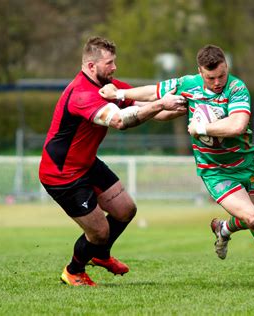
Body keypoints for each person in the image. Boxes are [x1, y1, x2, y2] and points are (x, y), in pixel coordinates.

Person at [99, 44, 254, 288]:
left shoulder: (237, 88)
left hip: (245, 163)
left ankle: (223, 229)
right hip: (215, 170)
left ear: (227, 68)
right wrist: (118, 94)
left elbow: (237, 126)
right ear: (200, 72)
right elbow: (154, 92)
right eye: (211, 77)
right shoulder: (188, 84)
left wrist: (200, 128)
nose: (217, 82)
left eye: (221, 75)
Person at [39, 36, 186, 286]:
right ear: (91, 66)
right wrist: (161, 103)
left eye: (114, 61)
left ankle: (101, 255)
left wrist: (184, 106)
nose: (114, 67)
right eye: (109, 63)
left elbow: (148, 108)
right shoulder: (81, 95)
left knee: (126, 210)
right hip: (62, 175)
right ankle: (73, 271)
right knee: (99, 232)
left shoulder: (110, 86)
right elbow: (120, 121)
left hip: (85, 163)